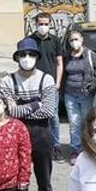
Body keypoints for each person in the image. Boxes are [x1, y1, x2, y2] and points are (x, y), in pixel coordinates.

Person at [1, 38, 57, 191]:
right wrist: (35, 105)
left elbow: (49, 111)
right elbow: (9, 112)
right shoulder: (8, 81)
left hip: (41, 135)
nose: (27, 58)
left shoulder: (46, 79)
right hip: (15, 136)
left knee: (44, 180)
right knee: (19, 180)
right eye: (23, 55)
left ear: (37, 57)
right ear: (17, 57)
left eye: (31, 55)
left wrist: (21, 110)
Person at [60, 27, 96, 163]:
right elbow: (64, 74)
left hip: (86, 95)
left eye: (76, 39)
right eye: (71, 40)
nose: (74, 42)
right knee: (74, 123)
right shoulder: (67, 56)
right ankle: (76, 150)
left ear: (82, 40)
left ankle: (88, 149)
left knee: (86, 122)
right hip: (70, 94)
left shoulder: (90, 55)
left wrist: (90, 89)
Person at [29, 13, 64, 149]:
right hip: (34, 85)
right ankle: (38, 146)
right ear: (36, 24)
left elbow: (59, 63)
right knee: (35, 116)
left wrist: (58, 83)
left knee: (53, 117)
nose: (43, 27)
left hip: (51, 86)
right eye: (40, 24)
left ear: (50, 24)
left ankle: (55, 146)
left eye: (46, 24)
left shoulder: (55, 40)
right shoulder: (29, 40)